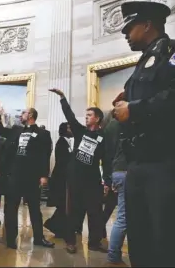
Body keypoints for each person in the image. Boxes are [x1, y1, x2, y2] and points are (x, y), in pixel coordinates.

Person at [111, 1, 175, 266]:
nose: (125, 35)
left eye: (129, 28)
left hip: (170, 167)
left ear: (147, 24)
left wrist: (135, 109)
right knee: (141, 247)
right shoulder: (141, 67)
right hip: (138, 167)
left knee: (172, 247)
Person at [49, 88, 110, 254]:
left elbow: (106, 161)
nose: (86, 117)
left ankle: (94, 242)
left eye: (90, 115)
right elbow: (70, 115)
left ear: (97, 118)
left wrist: (107, 181)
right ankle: (70, 241)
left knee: (95, 212)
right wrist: (62, 98)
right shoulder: (80, 131)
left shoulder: (103, 137)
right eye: (86, 114)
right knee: (73, 211)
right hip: (75, 178)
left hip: (92, 179)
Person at [0, 98, 54, 249]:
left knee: (34, 209)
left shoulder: (43, 134)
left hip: (31, 176)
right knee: (11, 208)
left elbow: (45, 155)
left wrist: (44, 175)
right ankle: (11, 239)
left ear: (31, 115)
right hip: (14, 175)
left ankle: (39, 238)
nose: (21, 115)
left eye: (24, 113)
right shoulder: (16, 130)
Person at [102, 114, 128, 265]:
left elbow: (107, 155)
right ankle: (113, 254)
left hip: (117, 171)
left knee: (121, 215)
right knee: (123, 217)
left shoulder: (110, 128)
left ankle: (113, 252)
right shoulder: (123, 126)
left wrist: (108, 177)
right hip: (125, 171)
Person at [44, 122, 73, 238]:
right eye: (69, 128)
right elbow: (63, 162)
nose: (71, 130)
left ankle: (58, 226)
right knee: (62, 204)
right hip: (61, 178)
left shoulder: (66, 142)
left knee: (63, 205)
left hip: (63, 177)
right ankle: (53, 224)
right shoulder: (62, 142)